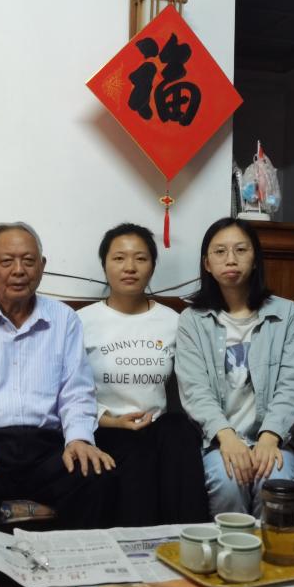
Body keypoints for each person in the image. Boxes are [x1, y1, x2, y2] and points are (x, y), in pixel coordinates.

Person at [0, 221, 115, 528]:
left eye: (28, 261)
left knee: (94, 477)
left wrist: (79, 439)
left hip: (47, 447)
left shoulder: (64, 319)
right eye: (7, 261)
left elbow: (77, 394)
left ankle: (77, 561)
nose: (18, 270)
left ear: (42, 266)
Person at [176, 217, 294, 518]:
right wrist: (227, 438)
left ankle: (269, 550)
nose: (231, 259)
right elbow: (195, 390)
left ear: (255, 258)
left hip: (277, 437)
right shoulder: (192, 320)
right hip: (217, 440)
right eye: (220, 251)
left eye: (241, 249)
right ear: (207, 264)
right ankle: (229, 550)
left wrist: (269, 437)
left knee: (273, 483)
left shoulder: (287, 314)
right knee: (227, 482)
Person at [77, 223, 208, 526]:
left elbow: (193, 382)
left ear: (152, 266)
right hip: (103, 428)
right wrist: (110, 420)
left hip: (157, 428)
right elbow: (67, 390)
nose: (130, 267)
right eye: (119, 258)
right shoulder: (80, 321)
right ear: (104, 265)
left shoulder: (173, 321)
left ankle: (191, 536)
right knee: (135, 453)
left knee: (180, 430)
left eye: (140, 258)